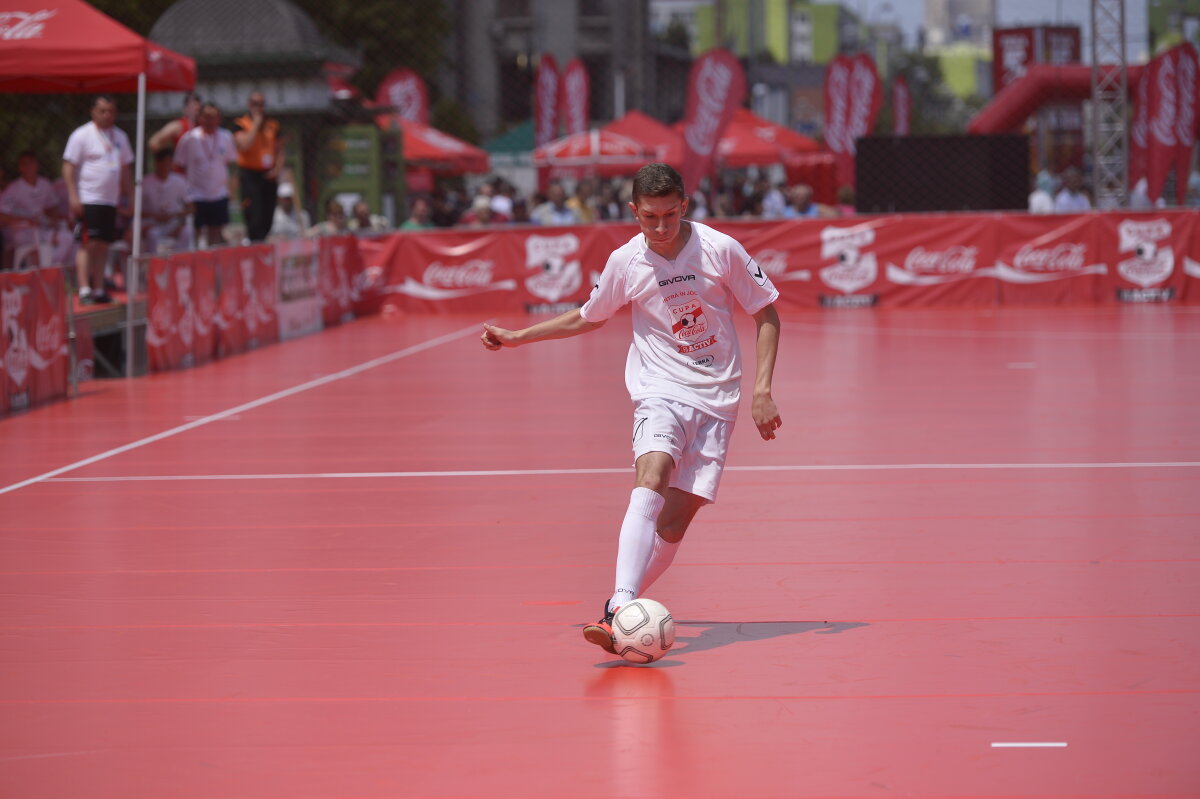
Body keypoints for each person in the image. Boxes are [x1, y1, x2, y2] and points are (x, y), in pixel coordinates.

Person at [480, 162, 783, 655]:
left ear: (684, 206)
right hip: (659, 388)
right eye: (649, 217)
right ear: (634, 213)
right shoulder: (625, 261)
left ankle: (620, 607)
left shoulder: (720, 249)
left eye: (669, 215)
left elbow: (766, 313)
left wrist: (762, 390)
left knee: (674, 525)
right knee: (651, 474)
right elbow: (588, 317)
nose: (660, 227)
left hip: (718, 398)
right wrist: (519, 337)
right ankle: (620, 606)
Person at [62, 95, 134, 304]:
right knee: (88, 244)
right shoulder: (81, 135)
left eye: (111, 111)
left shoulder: (120, 136)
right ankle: (85, 289)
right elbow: (68, 167)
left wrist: (130, 197)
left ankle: (99, 289)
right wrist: (73, 196)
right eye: (102, 111)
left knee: (103, 244)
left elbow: (125, 169)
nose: (107, 115)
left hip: (109, 201)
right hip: (88, 198)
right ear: (93, 112)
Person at [174, 102, 237, 248]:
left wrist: (231, 188)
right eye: (206, 117)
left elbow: (230, 163)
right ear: (200, 118)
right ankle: (195, 258)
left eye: (214, 117)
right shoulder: (190, 138)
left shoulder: (226, 137)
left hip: (219, 193)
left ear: (219, 119)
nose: (210, 121)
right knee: (195, 232)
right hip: (196, 195)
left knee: (216, 233)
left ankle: (213, 261)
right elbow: (179, 165)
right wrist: (184, 194)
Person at [233, 91, 282, 242]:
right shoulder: (241, 123)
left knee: (268, 216)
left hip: (268, 174)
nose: (259, 108)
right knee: (254, 216)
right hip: (250, 175)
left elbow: (280, 150)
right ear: (249, 105)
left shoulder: (272, 125)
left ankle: (263, 241)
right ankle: (254, 242)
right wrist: (256, 123)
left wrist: (277, 169)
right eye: (255, 104)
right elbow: (244, 145)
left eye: (261, 104)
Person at [0, 151, 61, 270]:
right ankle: (38, 273)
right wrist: (25, 220)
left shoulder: (44, 183)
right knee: (40, 246)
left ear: (37, 165)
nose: (28, 167)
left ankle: (52, 272)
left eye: (31, 163)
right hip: (22, 231)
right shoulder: (14, 188)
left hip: (43, 227)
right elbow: (2, 214)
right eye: (24, 164)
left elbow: (52, 206)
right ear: (19, 167)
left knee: (66, 238)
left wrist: (53, 221)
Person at [141, 148, 192, 254]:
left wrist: (173, 215)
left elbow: (192, 208)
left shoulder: (179, 181)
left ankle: (179, 259)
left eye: (168, 163)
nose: (165, 166)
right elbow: (135, 209)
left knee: (187, 232)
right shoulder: (145, 182)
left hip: (171, 224)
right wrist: (155, 216)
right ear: (157, 163)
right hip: (152, 224)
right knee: (152, 234)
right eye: (163, 163)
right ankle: (152, 260)